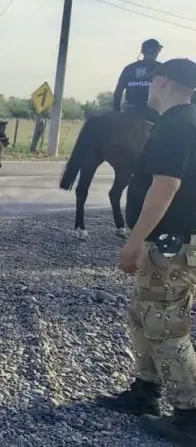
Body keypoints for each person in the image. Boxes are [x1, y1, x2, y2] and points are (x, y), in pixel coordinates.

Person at [96, 58, 196, 444]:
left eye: (152, 79)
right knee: (142, 316)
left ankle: (189, 415)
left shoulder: (175, 124)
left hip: (170, 244)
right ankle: (145, 391)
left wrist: (135, 239)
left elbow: (165, 186)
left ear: (163, 80)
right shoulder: (186, 120)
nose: (149, 85)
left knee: (166, 325)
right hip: (173, 242)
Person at [113, 38, 163, 123]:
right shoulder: (161, 69)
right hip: (153, 116)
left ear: (142, 52)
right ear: (157, 51)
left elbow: (118, 93)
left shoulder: (129, 68)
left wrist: (117, 113)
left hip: (131, 114)